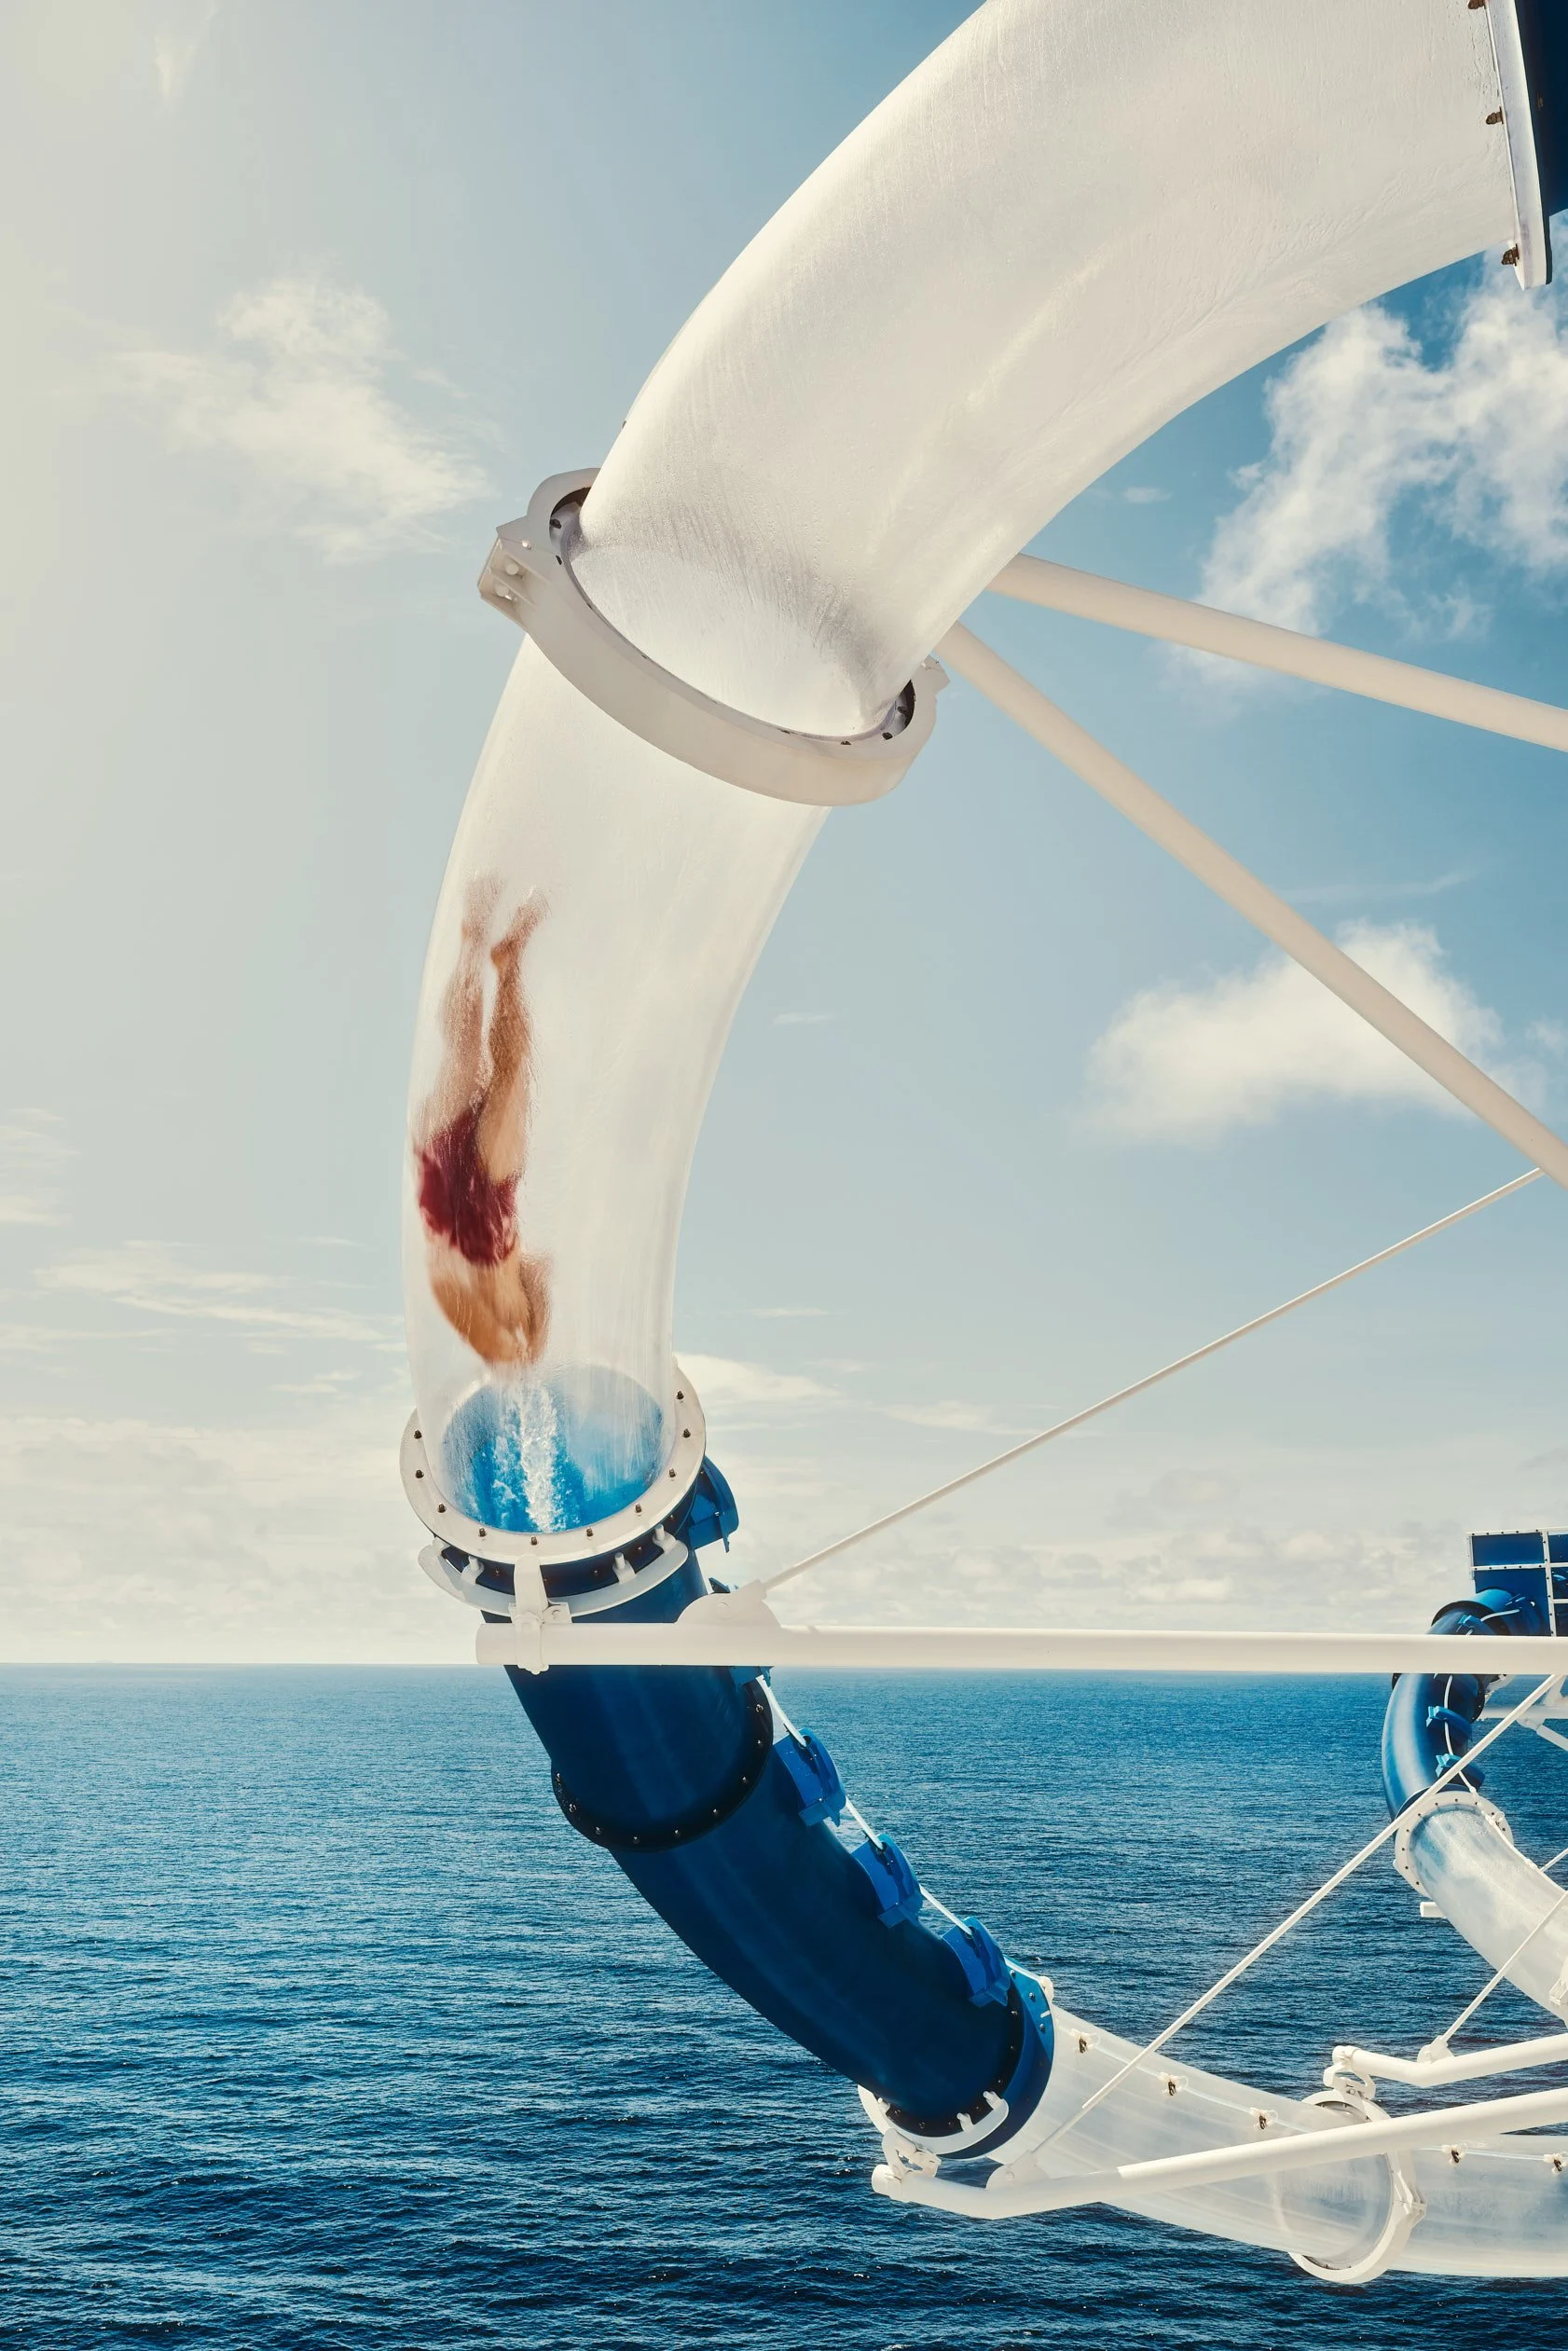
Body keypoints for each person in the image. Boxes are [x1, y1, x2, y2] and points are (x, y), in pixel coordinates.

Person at [413, 876, 551, 1366]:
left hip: (470, 1218)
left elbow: (449, 1288)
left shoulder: (513, 1326)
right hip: (477, 1212)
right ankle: (491, 953)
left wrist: (518, 1352)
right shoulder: (518, 1310)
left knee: (481, 1059)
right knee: (497, 1065)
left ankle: (485, 949)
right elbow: (533, 1276)